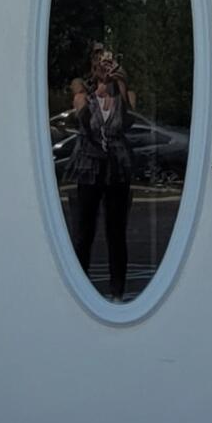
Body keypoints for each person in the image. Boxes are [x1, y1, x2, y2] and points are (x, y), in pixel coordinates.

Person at [69, 48, 136, 300]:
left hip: (117, 167)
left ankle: (117, 292)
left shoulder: (125, 94)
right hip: (89, 167)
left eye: (111, 62)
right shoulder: (82, 95)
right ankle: (80, 289)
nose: (106, 67)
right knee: (85, 231)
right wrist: (95, 93)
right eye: (102, 63)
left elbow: (128, 121)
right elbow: (85, 121)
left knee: (116, 231)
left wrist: (121, 83)